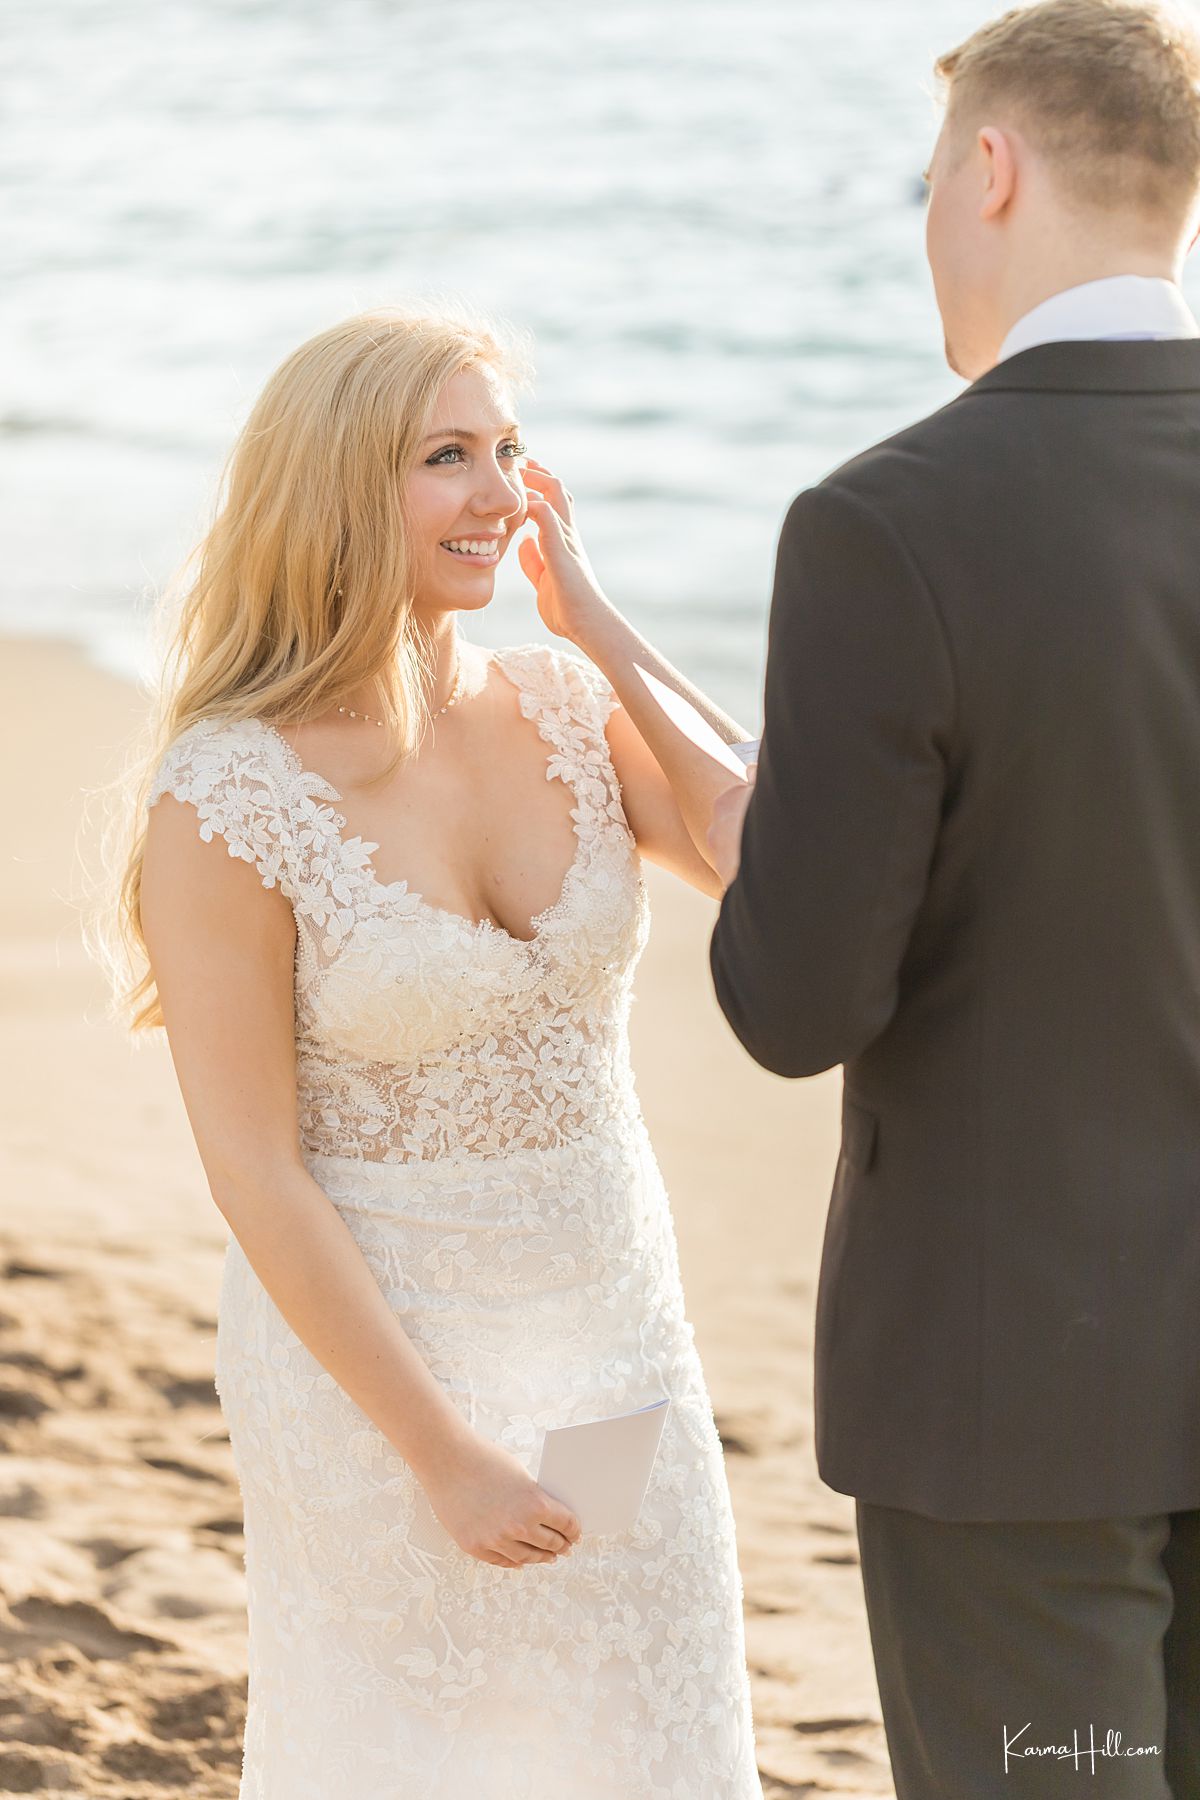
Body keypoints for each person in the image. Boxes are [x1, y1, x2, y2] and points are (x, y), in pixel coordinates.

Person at [107, 308, 763, 1796]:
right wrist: (443, 1452)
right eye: (446, 458)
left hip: (613, 1339)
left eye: (509, 451)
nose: (500, 492)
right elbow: (258, 1173)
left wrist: (592, 615)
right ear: (338, 488)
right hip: (381, 1379)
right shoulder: (227, 798)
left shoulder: (560, 703)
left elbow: (769, 845)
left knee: (640, 1733)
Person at [706, 2, 1200, 1795]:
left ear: (991, 171)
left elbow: (794, 1004)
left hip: (1014, 1407)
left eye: (930, 179)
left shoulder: (887, 525)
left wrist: (754, 835)